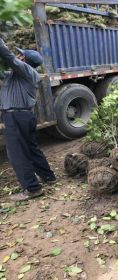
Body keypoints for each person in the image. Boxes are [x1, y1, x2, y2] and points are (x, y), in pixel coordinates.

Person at [0, 38, 56, 201]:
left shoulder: (26, 71)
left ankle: (32, 188)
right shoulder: (14, 75)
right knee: (31, 149)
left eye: (20, 55)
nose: (17, 56)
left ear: (26, 60)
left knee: (17, 153)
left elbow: (7, 56)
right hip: (23, 116)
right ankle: (48, 177)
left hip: (16, 116)